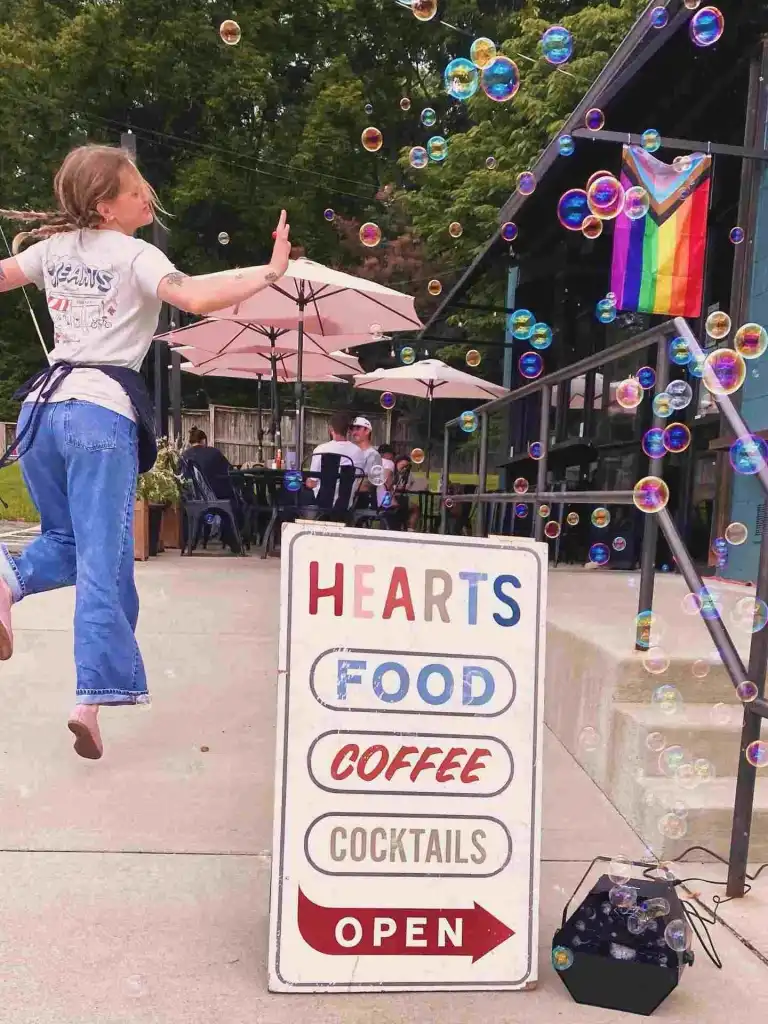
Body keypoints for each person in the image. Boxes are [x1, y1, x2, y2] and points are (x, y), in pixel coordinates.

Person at [0, 143, 292, 760]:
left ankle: (4, 582)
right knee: (104, 562)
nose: (147, 198)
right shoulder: (138, 254)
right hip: (97, 414)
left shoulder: (49, 252)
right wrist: (269, 272)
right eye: (136, 192)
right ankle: (90, 699)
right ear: (107, 207)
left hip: (39, 414)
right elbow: (195, 298)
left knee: (68, 543)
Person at [182, 427, 243, 552]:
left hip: (193, 497)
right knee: (235, 502)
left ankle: (191, 541)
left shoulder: (184, 456)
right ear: (204, 440)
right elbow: (229, 471)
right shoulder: (213, 453)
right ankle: (231, 539)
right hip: (214, 496)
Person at [306, 410, 366, 509]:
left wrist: (307, 481)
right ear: (348, 430)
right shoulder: (358, 452)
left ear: (330, 429)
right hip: (346, 504)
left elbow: (312, 483)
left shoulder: (321, 449)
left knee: (290, 494)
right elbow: (358, 481)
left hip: (322, 503)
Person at [350, 415, 382, 509]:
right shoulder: (350, 451)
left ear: (367, 431)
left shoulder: (373, 455)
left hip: (361, 498)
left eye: (358, 428)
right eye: (352, 429)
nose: (354, 432)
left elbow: (369, 483)